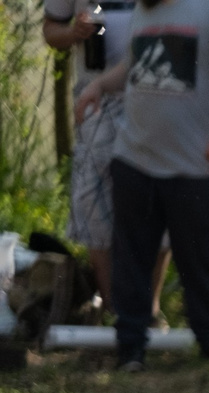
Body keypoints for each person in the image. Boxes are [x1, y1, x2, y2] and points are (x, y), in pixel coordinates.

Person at [72, 0, 209, 370]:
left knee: (199, 264)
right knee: (131, 261)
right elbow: (134, 65)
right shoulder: (144, 10)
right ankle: (130, 348)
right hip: (135, 160)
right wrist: (99, 85)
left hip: (196, 169)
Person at [41, 0, 144, 293]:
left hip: (156, 93)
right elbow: (51, 31)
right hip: (95, 96)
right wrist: (74, 32)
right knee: (93, 200)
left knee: (156, 196)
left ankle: (149, 305)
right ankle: (111, 304)